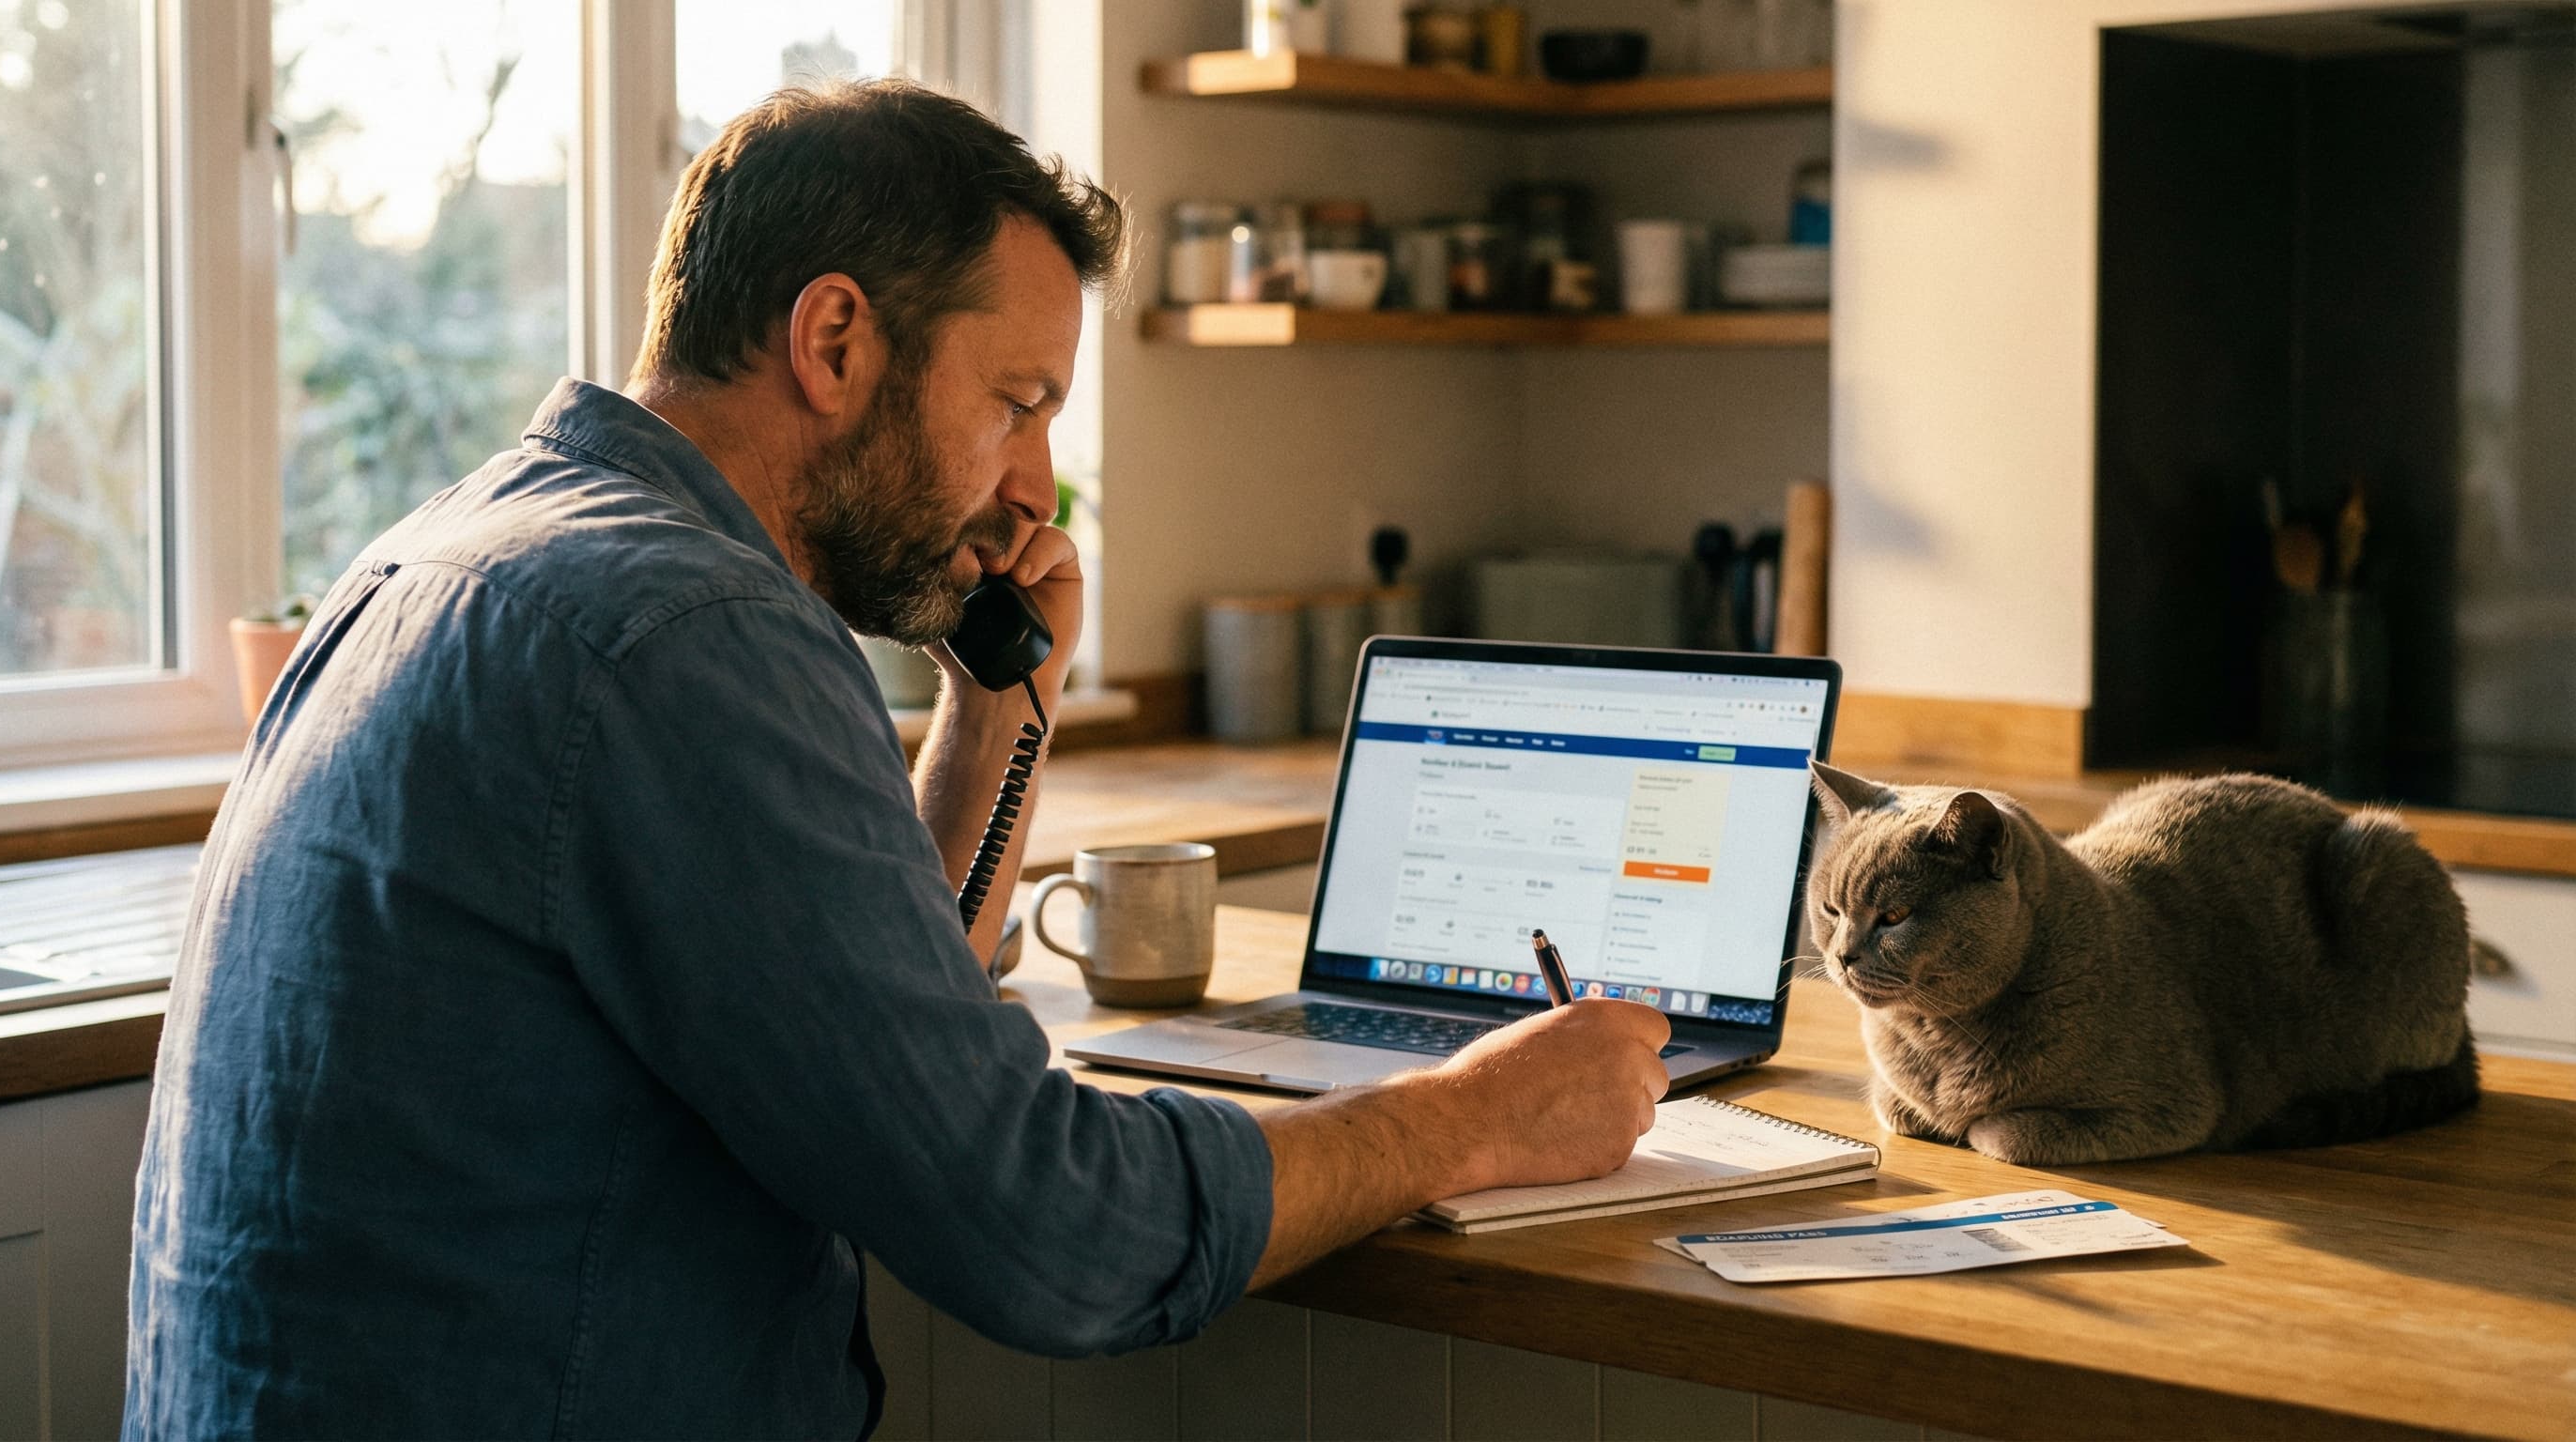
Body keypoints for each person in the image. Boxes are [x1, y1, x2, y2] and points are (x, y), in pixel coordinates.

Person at [124, 80, 1671, 1439]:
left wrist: (999, 710)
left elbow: (854, 1032)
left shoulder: (452, 556)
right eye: (1017, 402)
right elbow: (1049, 1229)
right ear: (838, 338)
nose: (1036, 487)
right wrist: (1473, 1115)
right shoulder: (689, 629)